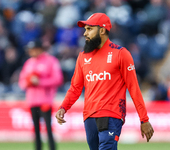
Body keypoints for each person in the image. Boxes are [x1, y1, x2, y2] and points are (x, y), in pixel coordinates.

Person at [55, 13, 154, 150]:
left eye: (89, 29)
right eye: (85, 29)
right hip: (89, 116)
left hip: (111, 114)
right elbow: (75, 87)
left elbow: (134, 88)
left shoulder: (121, 54)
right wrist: (63, 107)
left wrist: (144, 119)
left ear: (102, 30)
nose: (85, 33)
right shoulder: (83, 56)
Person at [19, 39, 63, 150]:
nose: (31, 52)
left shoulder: (51, 61)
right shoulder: (29, 63)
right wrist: (28, 82)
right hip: (32, 101)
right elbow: (21, 82)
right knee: (36, 131)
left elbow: (58, 79)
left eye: (33, 50)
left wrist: (40, 82)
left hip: (45, 100)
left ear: (40, 50)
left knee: (48, 129)